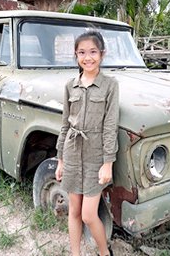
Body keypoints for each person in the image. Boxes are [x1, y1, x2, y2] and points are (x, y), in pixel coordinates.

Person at [55, 31, 120, 256]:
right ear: (76, 55)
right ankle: (76, 253)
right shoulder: (69, 86)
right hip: (72, 153)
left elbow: (110, 126)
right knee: (73, 210)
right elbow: (65, 125)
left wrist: (108, 163)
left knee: (88, 215)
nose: (88, 57)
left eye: (93, 52)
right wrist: (60, 160)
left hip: (95, 156)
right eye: (82, 52)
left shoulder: (110, 85)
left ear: (102, 54)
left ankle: (104, 253)